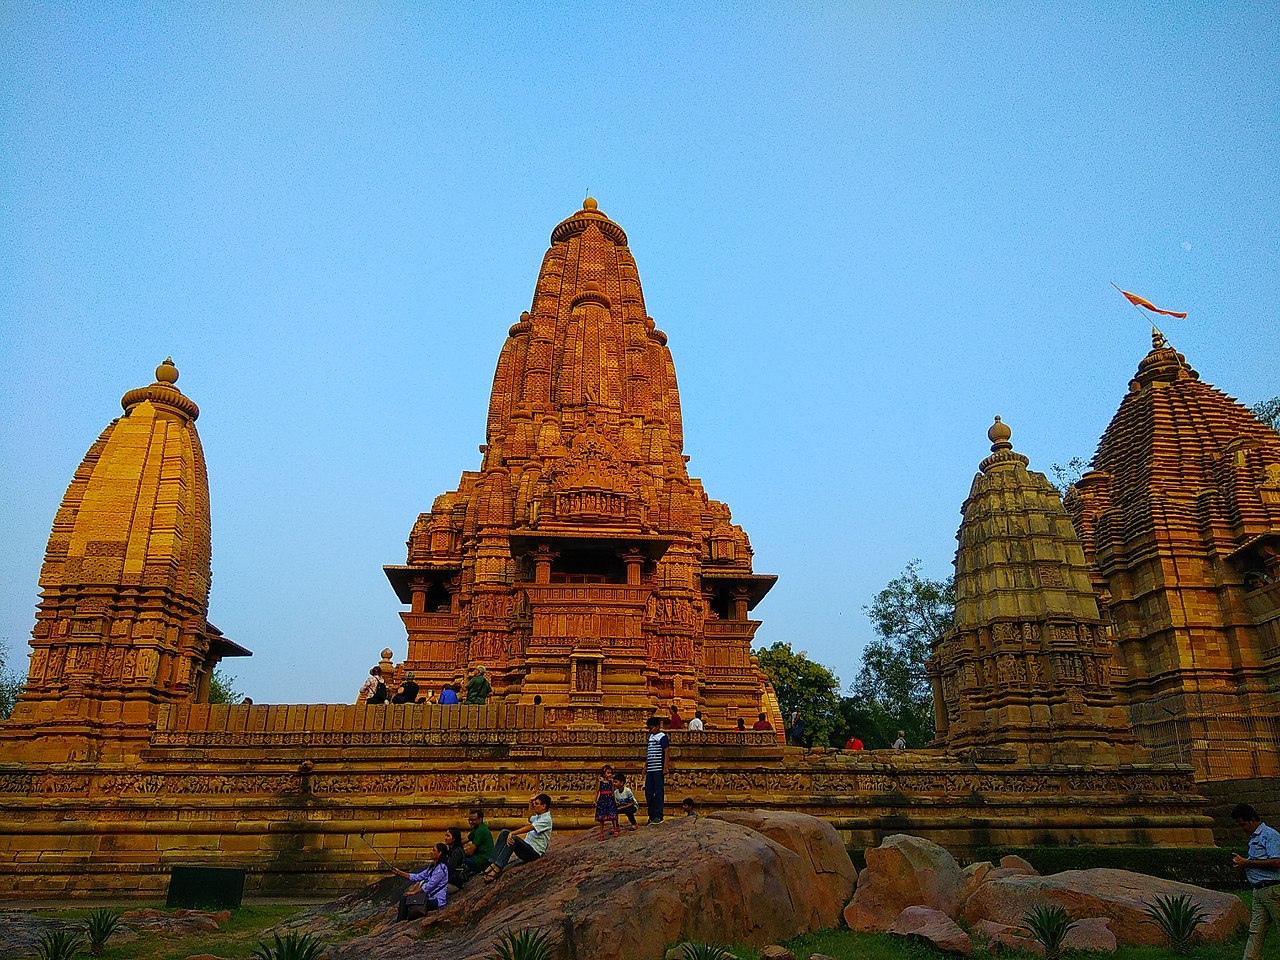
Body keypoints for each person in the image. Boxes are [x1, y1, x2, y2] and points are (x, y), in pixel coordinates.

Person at [1232, 802, 1280, 960]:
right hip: (1259, 891)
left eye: (1244, 824)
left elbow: (1277, 862)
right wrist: (1244, 866)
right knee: (1256, 930)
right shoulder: (1254, 838)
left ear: (1252, 820)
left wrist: (1247, 863)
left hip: (1273, 889)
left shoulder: (1269, 835)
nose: (1243, 828)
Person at [481, 794, 553, 883]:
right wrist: (530, 803)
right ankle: (493, 862)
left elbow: (530, 827)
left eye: (536, 804)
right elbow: (530, 818)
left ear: (543, 806)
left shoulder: (546, 819)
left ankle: (497, 868)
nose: (534, 805)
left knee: (513, 839)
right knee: (504, 833)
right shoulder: (539, 817)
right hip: (527, 849)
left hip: (534, 853)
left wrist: (513, 833)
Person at [392, 843, 449, 921]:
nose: (431, 852)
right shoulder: (432, 867)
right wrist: (399, 872)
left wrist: (414, 892)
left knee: (406, 900)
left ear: (440, 853)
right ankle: (401, 921)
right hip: (428, 897)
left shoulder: (441, 869)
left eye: (434, 850)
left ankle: (401, 921)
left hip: (436, 900)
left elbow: (429, 886)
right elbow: (417, 876)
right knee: (405, 899)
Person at [645, 716, 669, 823]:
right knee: (648, 792)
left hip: (658, 768)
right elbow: (649, 753)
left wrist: (665, 767)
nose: (650, 730)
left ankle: (659, 814)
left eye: (651, 728)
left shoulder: (662, 737)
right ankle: (651, 814)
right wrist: (645, 766)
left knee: (659, 792)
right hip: (650, 768)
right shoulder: (650, 737)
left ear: (657, 727)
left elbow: (666, 752)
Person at [463, 808, 494, 877]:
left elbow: (470, 851)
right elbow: (465, 839)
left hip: (483, 859)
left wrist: (459, 852)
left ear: (480, 820)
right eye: (469, 820)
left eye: (473, 820)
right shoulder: (476, 829)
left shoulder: (481, 830)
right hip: (478, 857)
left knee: (460, 860)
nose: (471, 822)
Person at [594, 764, 620, 839]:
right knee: (602, 819)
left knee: (613, 816)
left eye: (610, 773)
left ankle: (615, 829)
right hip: (602, 800)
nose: (610, 775)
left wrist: (615, 800)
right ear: (604, 773)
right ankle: (601, 833)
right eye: (608, 773)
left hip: (610, 799)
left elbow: (613, 792)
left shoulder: (611, 782)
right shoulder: (600, 782)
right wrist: (595, 800)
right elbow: (597, 791)